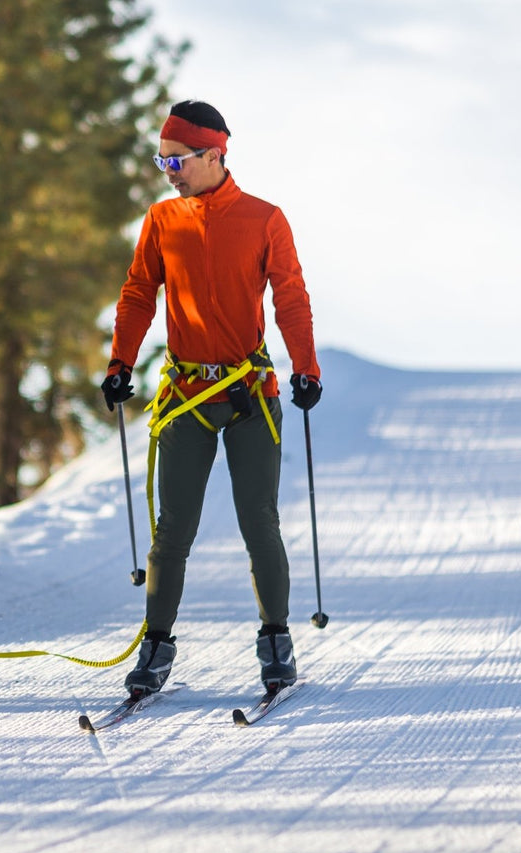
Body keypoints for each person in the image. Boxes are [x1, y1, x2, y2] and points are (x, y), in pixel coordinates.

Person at [100, 99, 322, 699]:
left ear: (214, 154)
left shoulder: (264, 219)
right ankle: (156, 647)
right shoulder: (161, 220)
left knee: (259, 522)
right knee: (172, 531)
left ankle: (276, 642)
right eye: (162, 160)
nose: (168, 171)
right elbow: (138, 293)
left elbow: (291, 296)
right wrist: (120, 363)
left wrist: (306, 367)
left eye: (177, 160)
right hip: (185, 396)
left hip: (250, 393)